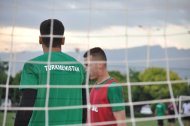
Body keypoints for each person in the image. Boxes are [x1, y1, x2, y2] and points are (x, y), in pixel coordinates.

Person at [14, 19, 86, 126]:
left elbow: (26, 107)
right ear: (63, 40)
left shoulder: (33, 65)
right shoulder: (79, 67)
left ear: (40, 39)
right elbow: (84, 106)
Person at [83, 47, 127, 126]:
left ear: (100, 64)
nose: (86, 69)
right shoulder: (94, 87)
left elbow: (122, 123)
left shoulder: (113, 87)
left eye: (87, 65)